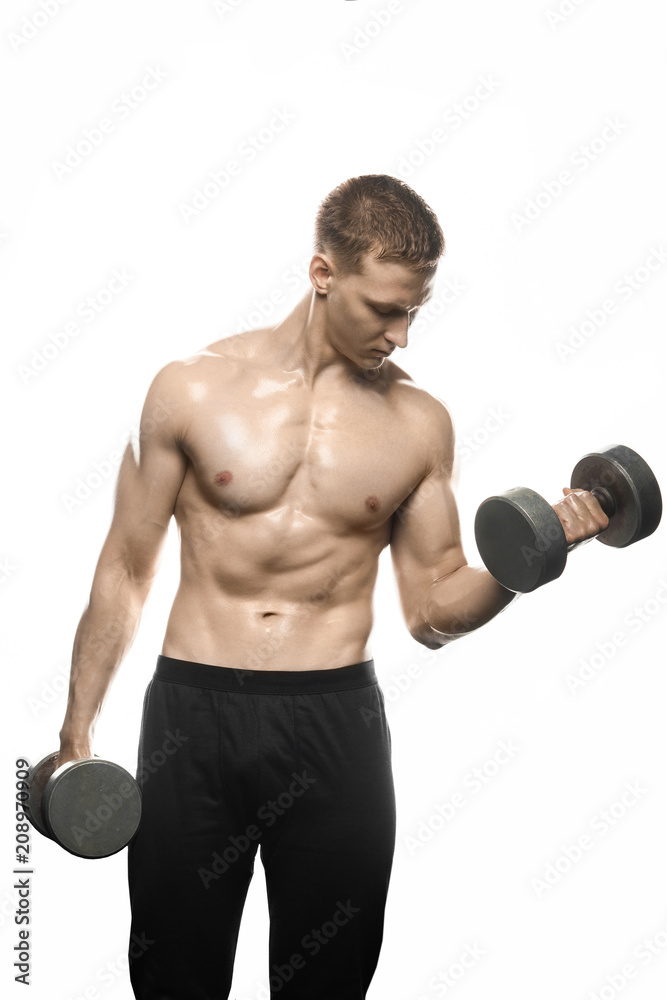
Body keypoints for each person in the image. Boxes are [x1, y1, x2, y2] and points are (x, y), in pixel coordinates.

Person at [56, 174, 609, 999]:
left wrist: (527, 561)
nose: (403, 335)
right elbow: (126, 567)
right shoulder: (189, 389)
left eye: (414, 311)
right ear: (323, 275)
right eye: (385, 309)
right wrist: (77, 731)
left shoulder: (419, 425)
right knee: (174, 973)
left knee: (329, 978)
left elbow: (431, 610)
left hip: (335, 727)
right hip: (193, 718)